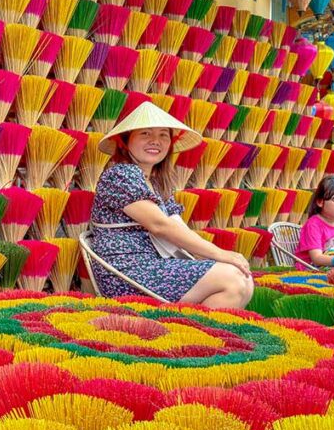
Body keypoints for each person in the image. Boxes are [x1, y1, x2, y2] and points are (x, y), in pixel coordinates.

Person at [89, 100, 254, 309]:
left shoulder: (156, 182)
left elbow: (178, 229)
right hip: (127, 272)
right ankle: (195, 335)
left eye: (163, 135)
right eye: (145, 134)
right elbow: (160, 225)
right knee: (232, 279)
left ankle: (192, 332)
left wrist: (213, 256)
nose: (155, 141)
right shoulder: (120, 174)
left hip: (155, 266)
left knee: (242, 279)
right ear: (125, 141)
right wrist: (221, 254)